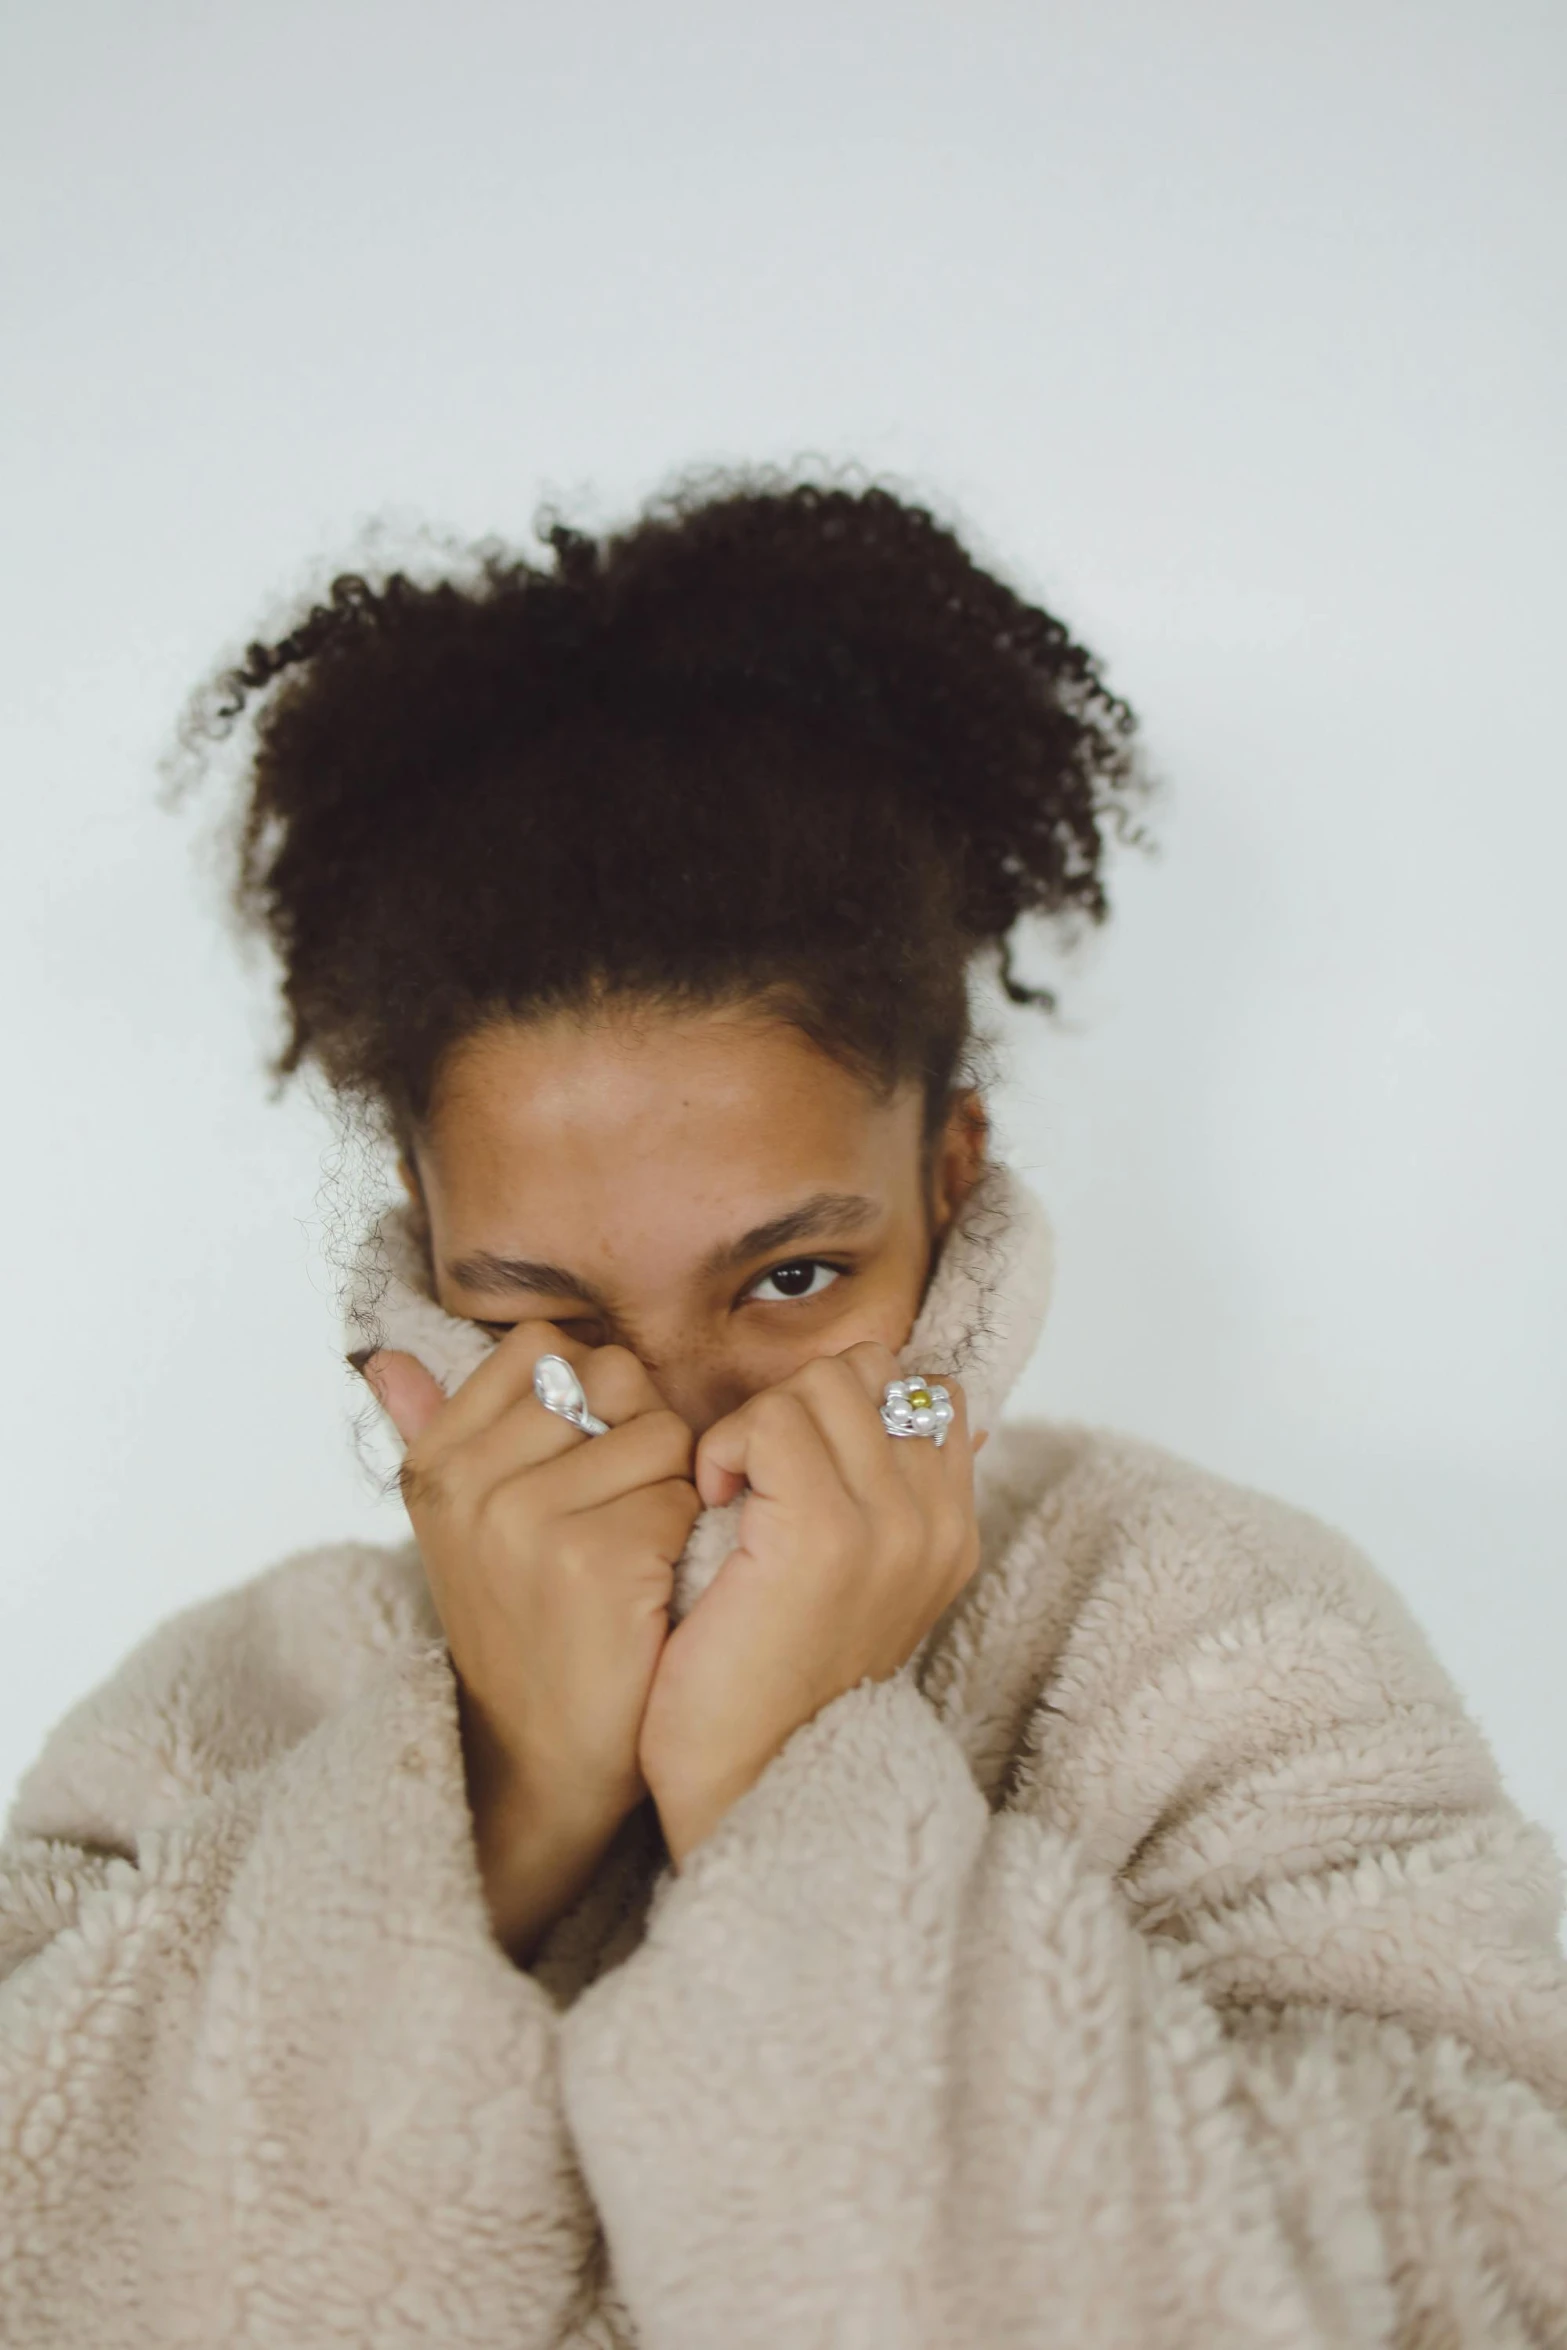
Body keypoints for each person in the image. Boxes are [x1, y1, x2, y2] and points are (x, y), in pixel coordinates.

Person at [2, 474, 1564, 2350]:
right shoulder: (222, 1716)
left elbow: (1481, 2284)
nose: (675, 1422)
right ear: (424, 1266)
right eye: (549, 1314)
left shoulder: (1216, 1637)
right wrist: (492, 1806)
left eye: (791, 1280)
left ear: (949, 1192)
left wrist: (783, 1773)